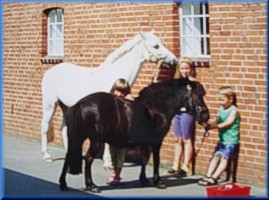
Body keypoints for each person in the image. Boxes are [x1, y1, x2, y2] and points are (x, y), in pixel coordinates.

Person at [198, 86, 240, 186]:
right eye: (219, 99)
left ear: (230, 99)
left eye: (222, 99)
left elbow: (228, 123)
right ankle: (208, 175)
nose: (220, 102)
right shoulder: (221, 109)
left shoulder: (234, 110)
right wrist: (209, 126)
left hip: (231, 140)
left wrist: (215, 127)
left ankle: (214, 177)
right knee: (215, 157)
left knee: (224, 158)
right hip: (222, 139)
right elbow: (216, 121)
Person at [167, 57, 197, 176]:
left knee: (186, 138)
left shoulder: (193, 83)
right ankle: (175, 163)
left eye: (186, 68)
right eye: (182, 68)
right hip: (177, 113)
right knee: (177, 139)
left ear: (191, 69)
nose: (184, 71)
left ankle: (186, 165)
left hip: (187, 112)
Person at [104, 78, 134, 186]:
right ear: (113, 90)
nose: (120, 94)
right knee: (112, 154)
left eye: (123, 92)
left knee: (120, 156)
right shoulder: (110, 101)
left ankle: (117, 176)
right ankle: (114, 174)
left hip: (123, 135)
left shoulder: (126, 102)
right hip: (112, 134)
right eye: (118, 91)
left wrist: (130, 98)